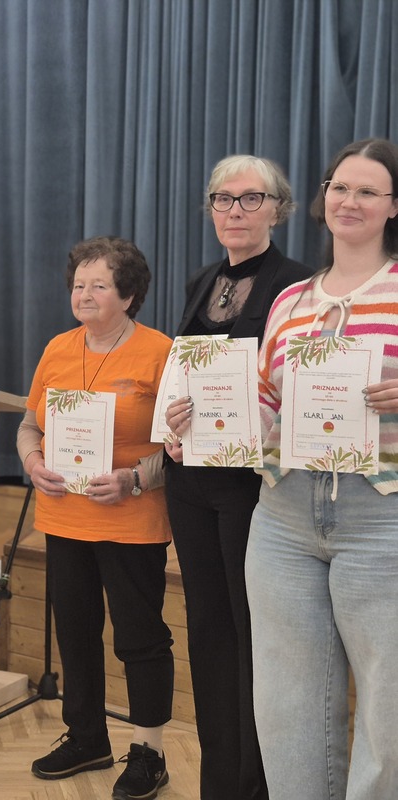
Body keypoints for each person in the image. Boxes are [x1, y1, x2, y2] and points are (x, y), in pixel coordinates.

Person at [239, 138, 398, 799]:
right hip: (282, 518)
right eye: (339, 187)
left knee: (389, 708)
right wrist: (206, 425)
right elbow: (263, 403)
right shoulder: (288, 302)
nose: (348, 200)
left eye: (367, 190)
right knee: (287, 705)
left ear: (393, 206)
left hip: (381, 520)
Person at [162, 156, 311, 800]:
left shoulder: (297, 284)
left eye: (251, 199)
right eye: (223, 200)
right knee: (207, 628)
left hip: (255, 486)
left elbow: (301, 387)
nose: (235, 211)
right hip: (191, 479)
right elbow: (187, 372)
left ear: (279, 208)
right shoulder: (202, 281)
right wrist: (172, 418)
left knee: (254, 633)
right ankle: (220, 781)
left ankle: (259, 783)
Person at [17, 236, 172, 800]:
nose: (83, 294)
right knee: (76, 634)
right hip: (64, 519)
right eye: (78, 285)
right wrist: (32, 462)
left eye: (98, 285)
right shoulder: (58, 347)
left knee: (139, 638)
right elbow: (29, 425)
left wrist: (134, 478)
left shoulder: (159, 352)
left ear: (128, 295)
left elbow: (182, 445)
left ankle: (149, 752)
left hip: (132, 522)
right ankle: (87, 738)